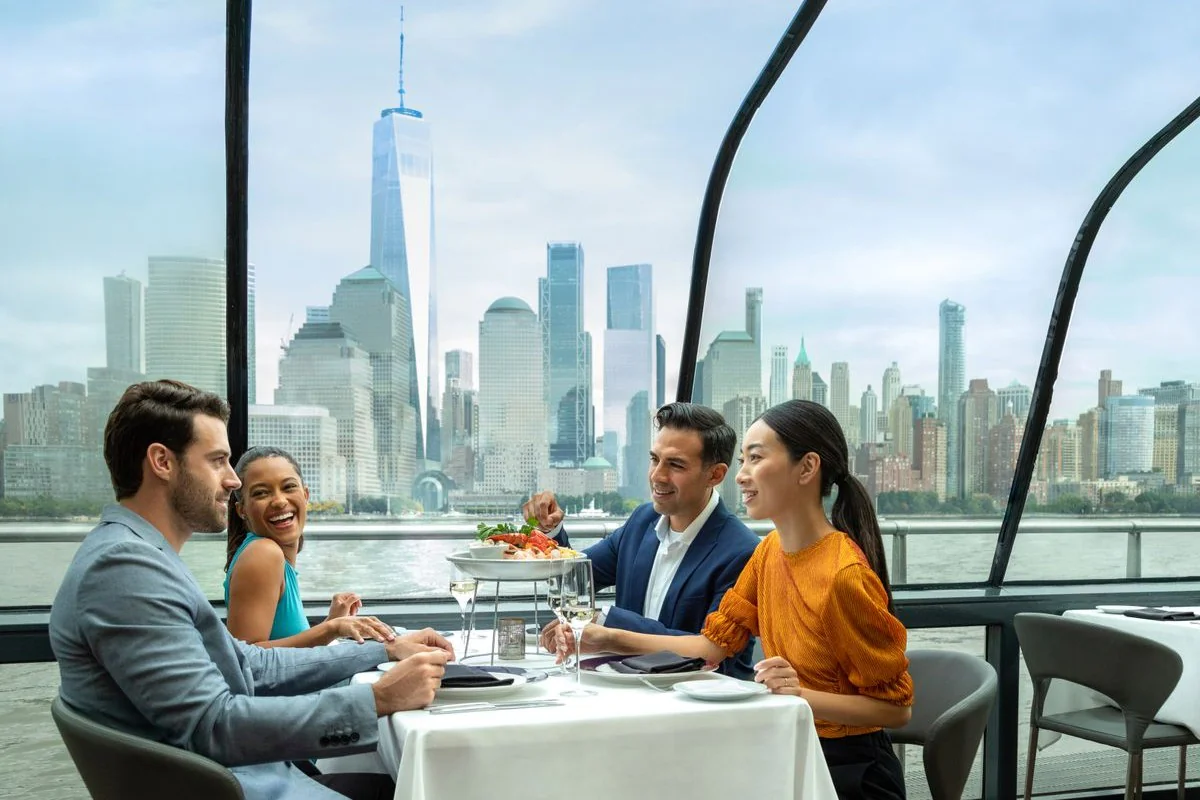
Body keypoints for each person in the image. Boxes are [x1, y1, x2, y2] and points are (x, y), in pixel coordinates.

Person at [49, 380, 452, 800]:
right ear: (162, 462)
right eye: (218, 461)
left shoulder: (143, 556)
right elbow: (215, 725)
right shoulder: (123, 568)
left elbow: (249, 663)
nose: (232, 481)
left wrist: (383, 650)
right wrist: (377, 700)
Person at [556, 400, 913, 799]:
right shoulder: (769, 551)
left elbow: (896, 710)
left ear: (808, 468)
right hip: (787, 747)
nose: (741, 476)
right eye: (742, 460)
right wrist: (606, 637)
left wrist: (799, 695)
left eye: (756, 459)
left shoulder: (844, 575)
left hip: (850, 771)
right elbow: (710, 646)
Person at [526, 402, 760, 678]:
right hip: (627, 690)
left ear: (716, 474)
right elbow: (575, 579)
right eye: (654, 459)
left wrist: (607, 625)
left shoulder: (742, 551)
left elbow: (711, 651)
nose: (657, 475)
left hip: (701, 707)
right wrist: (549, 531)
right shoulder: (642, 521)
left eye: (675, 464)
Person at [224, 446, 393, 647]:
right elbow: (244, 660)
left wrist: (332, 623)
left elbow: (284, 648)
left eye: (288, 487)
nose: (279, 501)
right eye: (261, 493)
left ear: (305, 495)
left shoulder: (273, 557)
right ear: (241, 509)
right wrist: (332, 628)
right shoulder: (263, 554)